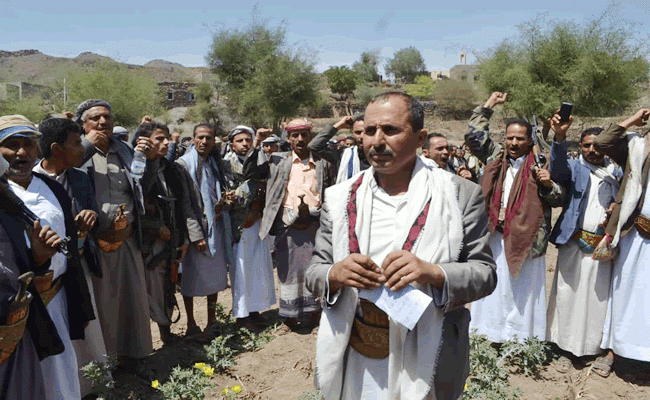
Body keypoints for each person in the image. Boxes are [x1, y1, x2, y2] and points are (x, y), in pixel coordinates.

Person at [306, 92, 496, 400]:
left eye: (390, 130)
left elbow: (485, 274)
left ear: (420, 137)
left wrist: (433, 273)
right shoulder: (340, 198)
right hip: (357, 351)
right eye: (369, 131)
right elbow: (315, 271)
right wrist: (335, 274)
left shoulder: (460, 195)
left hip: (430, 353)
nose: (377, 141)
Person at [1, 114, 95, 399]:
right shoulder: (3, 194)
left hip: (57, 298)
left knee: (61, 373)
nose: (22, 152)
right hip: (18, 311)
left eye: (28, 144)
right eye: (11, 144)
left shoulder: (52, 187)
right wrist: (37, 261)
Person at [466, 92, 563, 343]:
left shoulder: (544, 160)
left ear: (530, 140)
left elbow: (560, 198)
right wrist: (488, 105)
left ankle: (522, 341)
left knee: (524, 291)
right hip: (495, 235)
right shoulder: (495, 157)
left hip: (529, 239)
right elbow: (474, 136)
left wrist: (548, 183)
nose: (514, 143)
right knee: (494, 289)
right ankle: (489, 336)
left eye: (520, 138)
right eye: (510, 138)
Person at [75, 99, 154, 368]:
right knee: (104, 305)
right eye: (95, 118)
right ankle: (106, 364)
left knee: (133, 299)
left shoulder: (124, 149)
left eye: (106, 117)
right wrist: (86, 144)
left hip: (127, 238)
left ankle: (135, 356)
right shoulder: (78, 152)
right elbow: (59, 172)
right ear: (83, 125)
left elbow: (139, 184)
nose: (102, 122)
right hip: (95, 243)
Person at [34, 117, 109, 396]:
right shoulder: (30, 181)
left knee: (85, 332)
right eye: (77, 143)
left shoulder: (79, 177)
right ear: (56, 148)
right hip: (46, 279)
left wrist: (90, 217)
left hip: (77, 266)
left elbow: (93, 212)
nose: (83, 149)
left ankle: (91, 386)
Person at [245, 117, 336, 334]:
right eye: (295, 135)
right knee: (288, 272)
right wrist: (257, 143)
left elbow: (332, 192)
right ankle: (289, 319)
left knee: (316, 269)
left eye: (304, 134)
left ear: (310, 137)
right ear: (288, 139)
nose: (300, 139)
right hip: (288, 225)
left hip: (317, 226)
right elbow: (250, 172)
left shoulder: (324, 163)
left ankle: (316, 317)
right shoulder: (278, 162)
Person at [545, 114, 621, 376]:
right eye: (587, 145)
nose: (592, 150)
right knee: (568, 293)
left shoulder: (617, 174)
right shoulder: (575, 167)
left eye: (598, 146)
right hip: (574, 242)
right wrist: (559, 138)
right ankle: (564, 349)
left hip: (602, 246)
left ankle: (591, 348)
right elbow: (558, 171)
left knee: (597, 297)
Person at [592, 108, 650, 369]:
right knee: (623, 291)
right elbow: (603, 142)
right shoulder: (636, 145)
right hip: (634, 230)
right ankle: (614, 351)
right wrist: (631, 121)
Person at [132, 122, 192, 344]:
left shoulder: (172, 169)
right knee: (148, 290)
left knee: (167, 284)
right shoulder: (135, 168)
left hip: (171, 239)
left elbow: (182, 205)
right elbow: (135, 202)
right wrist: (155, 226)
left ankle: (165, 331)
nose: (166, 143)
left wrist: (183, 238)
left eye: (167, 138)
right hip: (147, 242)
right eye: (159, 139)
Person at [176, 123, 233, 333]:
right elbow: (185, 204)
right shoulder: (183, 164)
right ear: (192, 139)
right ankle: (191, 323)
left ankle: (212, 321)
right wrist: (196, 235)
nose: (204, 141)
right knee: (190, 280)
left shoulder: (215, 163)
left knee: (216, 277)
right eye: (200, 137)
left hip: (216, 227)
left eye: (209, 138)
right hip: (195, 232)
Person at [222, 125, 276, 328]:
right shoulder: (226, 164)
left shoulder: (260, 158)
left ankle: (255, 310)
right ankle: (242, 315)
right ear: (232, 144)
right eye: (240, 141)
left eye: (248, 140)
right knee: (241, 271)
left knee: (258, 268)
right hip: (239, 225)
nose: (245, 144)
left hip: (257, 222)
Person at [308, 114, 371, 183]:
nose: (362, 136)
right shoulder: (343, 155)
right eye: (358, 132)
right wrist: (338, 126)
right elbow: (314, 146)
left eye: (367, 131)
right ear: (352, 133)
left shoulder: (382, 154)